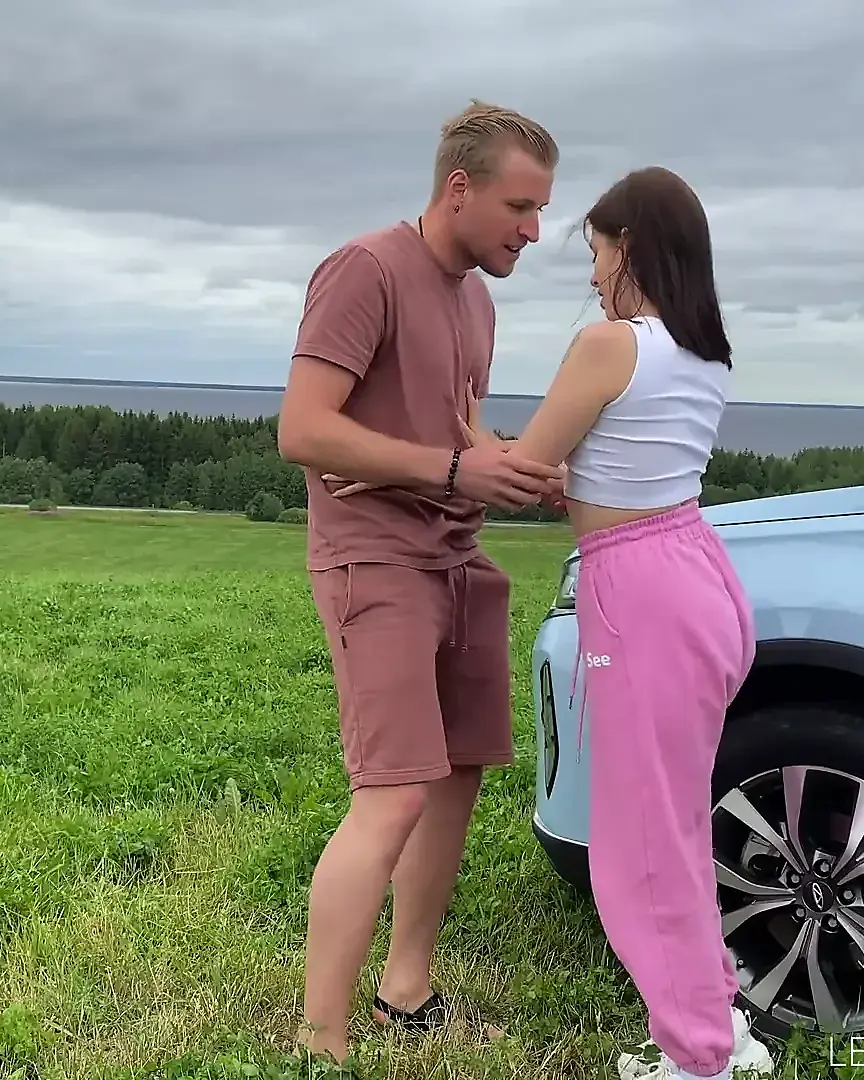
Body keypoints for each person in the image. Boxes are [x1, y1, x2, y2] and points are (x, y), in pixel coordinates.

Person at [274, 99, 565, 1065]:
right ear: (459, 188)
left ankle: (406, 991)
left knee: (457, 776)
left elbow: (460, 428)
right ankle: (320, 1040)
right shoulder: (365, 270)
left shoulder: (477, 300)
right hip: (376, 558)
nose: (534, 230)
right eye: (520, 207)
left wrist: (514, 465)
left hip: (459, 559)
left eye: (541, 210)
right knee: (394, 793)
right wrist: (449, 470)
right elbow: (303, 429)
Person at [498, 167, 777, 1079]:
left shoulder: (607, 346)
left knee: (641, 847)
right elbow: (611, 468)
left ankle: (699, 1058)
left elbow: (527, 470)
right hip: (697, 570)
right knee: (676, 823)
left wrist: (453, 435)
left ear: (631, 248)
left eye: (596, 252)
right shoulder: (704, 352)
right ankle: (717, 1022)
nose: (591, 274)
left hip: (640, 591)